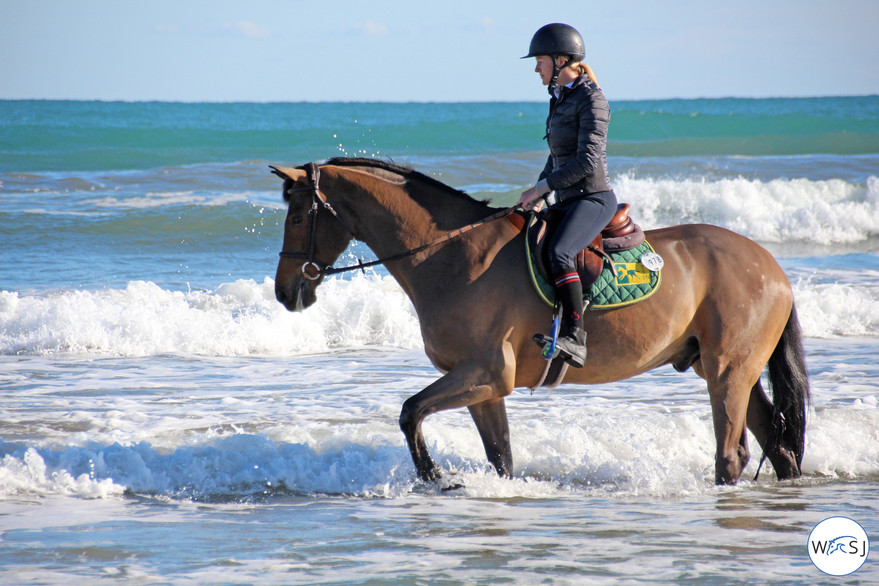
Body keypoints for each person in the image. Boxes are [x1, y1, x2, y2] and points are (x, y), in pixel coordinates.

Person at [517, 23, 618, 368]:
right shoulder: (559, 99)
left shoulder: (592, 99)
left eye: (540, 61)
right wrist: (538, 192)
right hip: (566, 199)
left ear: (562, 60)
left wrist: (543, 188)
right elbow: (557, 156)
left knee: (561, 251)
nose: (536, 68)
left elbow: (587, 161)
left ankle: (575, 337)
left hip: (593, 198)